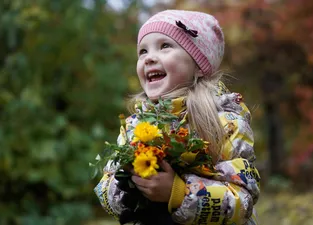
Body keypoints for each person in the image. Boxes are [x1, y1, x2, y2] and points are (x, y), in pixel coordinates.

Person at [94, 9, 260, 225]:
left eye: (165, 46)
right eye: (142, 51)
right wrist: (127, 186)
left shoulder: (224, 122)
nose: (149, 58)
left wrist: (178, 192)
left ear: (198, 66)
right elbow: (106, 186)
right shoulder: (136, 126)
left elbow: (243, 200)